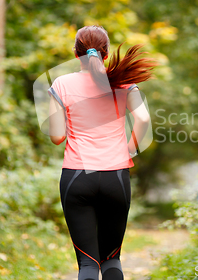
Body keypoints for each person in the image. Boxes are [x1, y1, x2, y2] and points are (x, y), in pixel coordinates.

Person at [47, 25, 156, 280]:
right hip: (115, 177)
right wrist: (127, 149)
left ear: (76, 53)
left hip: (76, 177)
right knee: (111, 260)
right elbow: (143, 119)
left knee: (87, 264)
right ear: (105, 54)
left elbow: (56, 137)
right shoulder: (123, 82)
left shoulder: (61, 84)